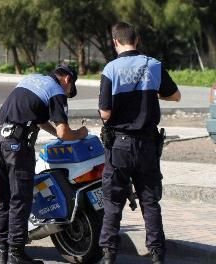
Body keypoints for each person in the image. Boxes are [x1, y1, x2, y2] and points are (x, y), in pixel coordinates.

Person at [97, 22, 181, 264]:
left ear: (115, 42)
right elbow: (175, 96)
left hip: (119, 147)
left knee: (113, 202)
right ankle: (157, 254)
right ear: (138, 39)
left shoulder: (111, 69)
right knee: (149, 200)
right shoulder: (153, 65)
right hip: (147, 145)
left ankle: (109, 254)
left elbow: (104, 113)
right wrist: (152, 93)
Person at [0, 64, 88, 264]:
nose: (67, 94)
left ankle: (3, 253)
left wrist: (56, 135)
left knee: (2, 198)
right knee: (20, 198)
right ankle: (16, 254)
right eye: (70, 91)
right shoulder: (56, 90)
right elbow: (63, 132)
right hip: (16, 146)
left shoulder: (31, 79)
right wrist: (80, 133)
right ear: (68, 80)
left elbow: (41, 121)